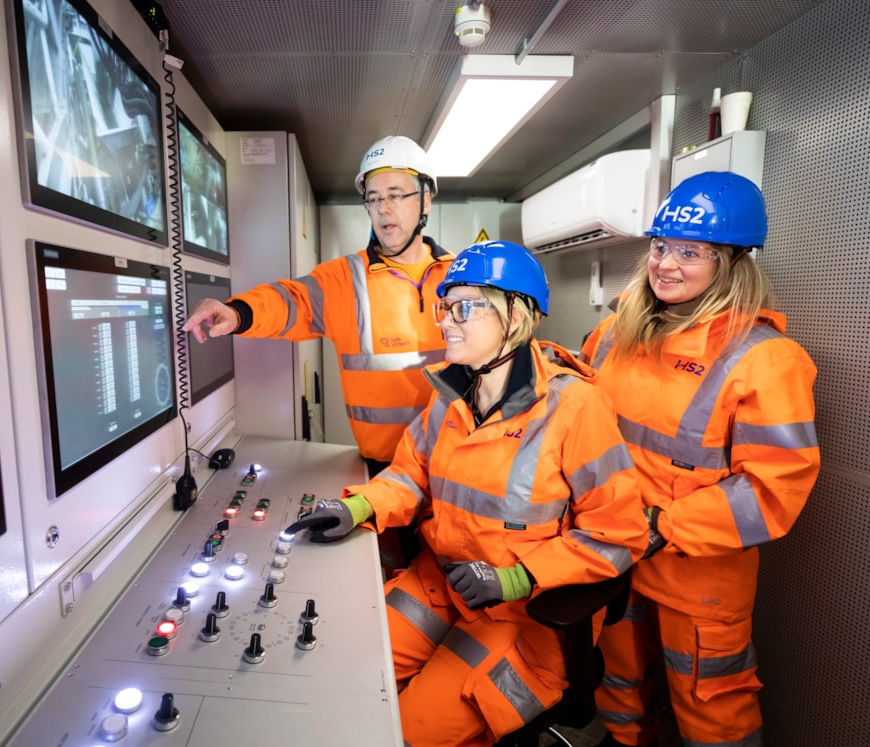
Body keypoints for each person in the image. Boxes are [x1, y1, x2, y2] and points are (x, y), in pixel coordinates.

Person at [284, 240, 648, 747]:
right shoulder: (452, 397)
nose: (446, 322)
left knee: (403, 733)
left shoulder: (576, 408)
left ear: (516, 316)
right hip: (443, 584)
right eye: (444, 306)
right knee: (336, 675)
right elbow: (409, 475)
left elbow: (619, 535)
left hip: (524, 618)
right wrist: (359, 505)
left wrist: (518, 579)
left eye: (465, 307)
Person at [580, 172, 821, 747]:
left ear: (732, 262)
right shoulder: (616, 333)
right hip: (615, 554)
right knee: (618, 687)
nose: (665, 263)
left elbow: (772, 490)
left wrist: (665, 524)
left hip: (699, 577)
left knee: (712, 714)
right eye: (661, 246)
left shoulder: (766, 360)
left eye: (690, 252)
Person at [183, 135, 454, 571]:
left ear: (426, 199)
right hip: (381, 470)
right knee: (392, 582)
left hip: (453, 467)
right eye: (374, 198)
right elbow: (291, 301)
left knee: (452, 578)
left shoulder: (460, 277)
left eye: (398, 194)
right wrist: (236, 313)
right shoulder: (344, 279)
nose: (384, 208)